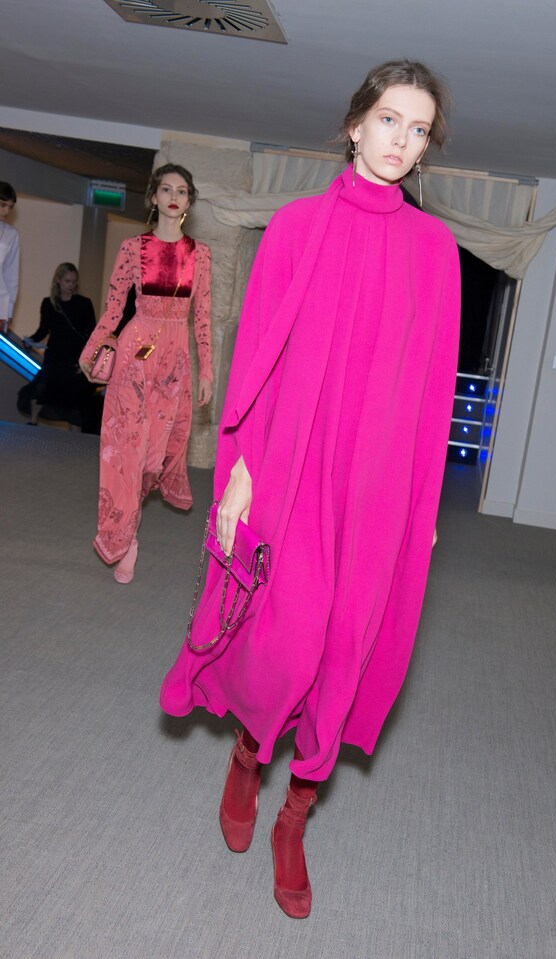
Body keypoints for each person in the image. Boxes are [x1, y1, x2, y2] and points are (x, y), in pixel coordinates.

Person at [160, 60, 460, 918]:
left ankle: (297, 815)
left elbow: (434, 390)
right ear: (354, 123)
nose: (403, 141)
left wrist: (424, 509)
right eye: (390, 120)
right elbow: (256, 359)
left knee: (345, 648)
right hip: (292, 465)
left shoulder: (436, 251)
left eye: (419, 129)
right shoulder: (295, 228)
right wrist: (239, 470)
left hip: (377, 482)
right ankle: (250, 757)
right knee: (285, 638)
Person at [79, 164, 213, 584]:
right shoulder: (132, 247)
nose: (174, 196)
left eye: (182, 191)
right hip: (134, 354)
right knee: (126, 448)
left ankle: (130, 521)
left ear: (189, 201)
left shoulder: (201, 254)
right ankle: (125, 537)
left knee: (152, 458)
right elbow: (114, 308)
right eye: (166, 189)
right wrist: (93, 350)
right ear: (153, 198)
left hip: (173, 363)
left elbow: (203, 320)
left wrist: (207, 368)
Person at [23, 263, 96, 428]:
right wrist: (30, 341)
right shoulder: (49, 303)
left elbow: (92, 333)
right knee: (40, 385)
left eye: (74, 282)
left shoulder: (84, 303)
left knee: (73, 400)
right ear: (58, 281)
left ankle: (74, 438)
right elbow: (43, 329)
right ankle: (33, 422)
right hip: (55, 355)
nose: (71, 285)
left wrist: (87, 359)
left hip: (75, 357)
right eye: (67, 281)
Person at [0, 182, 20, 335]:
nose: (6, 211)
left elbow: (11, 277)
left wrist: (7, 313)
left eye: (10, 207)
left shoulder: (11, 234)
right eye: (2, 205)